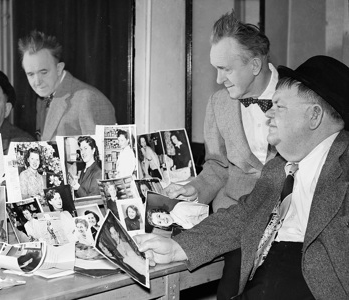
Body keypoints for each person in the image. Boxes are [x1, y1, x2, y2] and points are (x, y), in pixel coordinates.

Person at [135, 55, 349, 299]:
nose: (269, 114)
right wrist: (177, 248)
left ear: (314, 116)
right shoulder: (279, 166)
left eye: (279, 106)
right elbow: (243, 216)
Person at [163, 11, 278, 299]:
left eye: (225, 69)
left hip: (286, 223)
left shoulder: (300, 95)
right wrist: (195, 188)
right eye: (215, 68)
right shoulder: (218, 103)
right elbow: (217, 165)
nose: (218, 78)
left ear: (254, 64)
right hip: (236, 222)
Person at [18, 30, 116, 141]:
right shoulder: (44, 97)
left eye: (44, 72)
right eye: (30, 74)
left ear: (59, 69)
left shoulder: (89, 99)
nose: (37, 81)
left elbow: (102, 155)